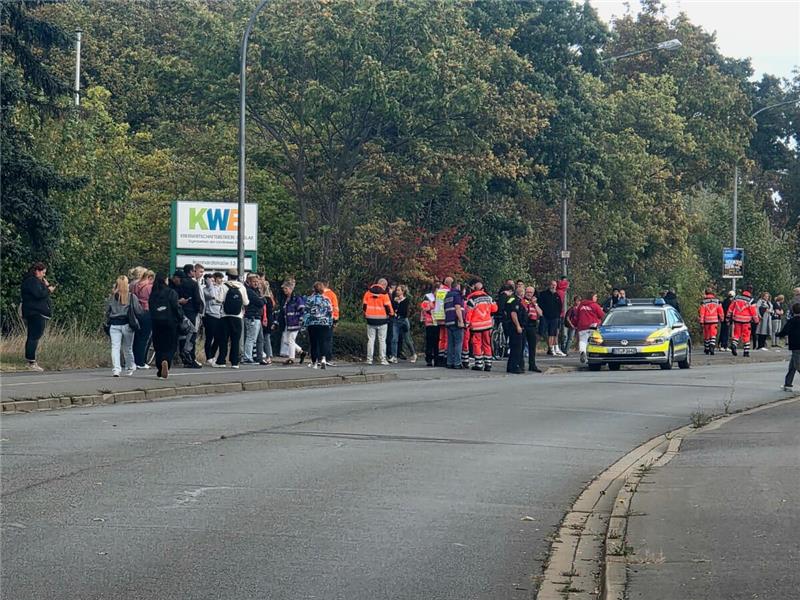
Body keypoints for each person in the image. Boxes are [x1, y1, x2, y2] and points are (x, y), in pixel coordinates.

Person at [105, 275, 143, 377]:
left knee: (115, 348)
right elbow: (138, 311)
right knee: (128, 348)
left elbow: (107, 311)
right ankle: (130, 366)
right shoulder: (131, 297)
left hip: (114, 324)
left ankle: (116, 369)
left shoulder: (112, 297)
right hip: (127, 324)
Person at [20, 262, 55, 371]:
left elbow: (41, 293)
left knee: (32, 336)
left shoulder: (35, 282)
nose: (44, 275)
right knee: (34, 336)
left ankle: (30, 359)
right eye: (43, 272)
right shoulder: (32, 281)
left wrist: (46, 286)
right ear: (37, 271)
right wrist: (48, 290)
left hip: (35, 312)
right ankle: (31, 362)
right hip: (35, 312)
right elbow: (39, 294)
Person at [149, 272, 183, 379]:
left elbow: (150, 307)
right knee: (171, 345)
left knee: (158, 346)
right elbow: (176, 307)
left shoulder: (153, 293)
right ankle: (166, 361)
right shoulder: (171, 292)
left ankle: (160, 367)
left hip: (156, 322)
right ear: (165, 280)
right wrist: (180, 317)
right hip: (170, 322)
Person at [215, 268, 249, 368]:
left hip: (225, 316)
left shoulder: (224, 286)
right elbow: (246, 302)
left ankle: (221, 361)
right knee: (235, 340)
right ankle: (235, 362)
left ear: (228, 276)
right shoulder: (242, 287)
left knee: (223, 339)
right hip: (238, 316)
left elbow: (219, 299)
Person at [465, 281, 497, 371]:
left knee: (477, 344)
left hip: (476, 326)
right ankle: (488, 364)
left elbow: (469, 313)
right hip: (487, 325)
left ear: (473, 289)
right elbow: (495, 309)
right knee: (487, 344)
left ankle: (478, 364)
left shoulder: (471, 299)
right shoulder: (489, 298)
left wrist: (467, 323)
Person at [363, 278, 394, 365]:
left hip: (370, 319)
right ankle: (383, 359)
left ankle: (369, 359)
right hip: (382, 319)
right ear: (383, 285)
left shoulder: (368, 293)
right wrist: (391, 314)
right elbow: (388, 306)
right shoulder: (384, 294)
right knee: (382, 340)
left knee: (371, 339)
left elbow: (364, 306)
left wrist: (366, 314)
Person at [303, 282, 334, 369]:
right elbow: (330, 312)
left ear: (314, 289)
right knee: (323, 341)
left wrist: (304, 325)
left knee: (314, 343)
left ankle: (314, 362)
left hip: (312, 324)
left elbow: (306, 312)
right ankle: (323, 358)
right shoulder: (326, 299)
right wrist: (330, 323)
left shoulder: (310, 299)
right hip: (324, 323)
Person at [130, 269, 154, 369]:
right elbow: (153, 299)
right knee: (144, 338)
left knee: (136, 338)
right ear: (150, 278)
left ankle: (134, 360)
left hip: (136, 312)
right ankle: (140, 361)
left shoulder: (135, 285)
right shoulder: (149, 287)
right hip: (146, 311)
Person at [242, 273, 266, 364]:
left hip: (257, 316)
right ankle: (247, 357)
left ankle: (252, 356)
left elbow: (264, 300)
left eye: (257, 281)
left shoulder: (256, 291)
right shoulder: (249, 291)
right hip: (252, 316)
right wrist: (262, 299)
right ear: (249, 282)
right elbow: (260, 302)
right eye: (254, 282)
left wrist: (262, 299)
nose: (256, 283)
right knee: (251, 338)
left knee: (254, 338)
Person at [575, 292, 606, 364]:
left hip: (582, 326)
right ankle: (594, 356)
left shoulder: (581, 305)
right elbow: (602, 315)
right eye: (595, 296)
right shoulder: (595, 305)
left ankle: (583, 352)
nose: (596, 298)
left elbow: (577, 315)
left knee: (583, 341)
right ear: (591, 297)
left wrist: (577, 324)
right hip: (593, 325)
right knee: (594, 341)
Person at [279, 281, 306, 365]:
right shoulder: (286, 299)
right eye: (284, 289)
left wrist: (301, 320)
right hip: (288, 323)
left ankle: (291, 358)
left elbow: (302, 308)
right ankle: (301, 352)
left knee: (290, 339)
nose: (284, 290)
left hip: (295, 322)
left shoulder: (296, 298)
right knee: (286, 341)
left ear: (291, 289)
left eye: (286, 288)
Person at [727, 288, 759, 357]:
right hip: (746, 321)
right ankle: (746, 352)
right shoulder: (752, 300)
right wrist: (756, 321)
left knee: (736, 334)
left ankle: (734, 345)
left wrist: (728, 317)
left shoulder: (737, 298)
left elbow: (731, 308)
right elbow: (754, 312)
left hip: (737, 319)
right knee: (746, 336)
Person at [776, 303, 800, 392]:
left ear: (793, 311)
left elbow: (785, 331)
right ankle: (788, 384)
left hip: (796, 345)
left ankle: (788, 384)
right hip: (797, 346)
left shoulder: (792, 321)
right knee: (792, 366)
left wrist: (778, 334)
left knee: (797, 365)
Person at [537, 280, 564, 356]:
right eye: (552, 285)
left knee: (552, 333)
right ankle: (532, 348)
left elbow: (560, 306)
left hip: (554, 317)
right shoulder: (543, 294)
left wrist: (557, 315)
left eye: (555, 285)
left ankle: (551, 349)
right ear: (549, 285)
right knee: (540, 332)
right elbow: (540, 304)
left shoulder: (557, 295)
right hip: (545, 316)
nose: (553, 286)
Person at [392, 285, 417, 363]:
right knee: (394, 339)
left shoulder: (406, 300)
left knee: (407, 339)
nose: (397, 292)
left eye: (399, 290)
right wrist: (395, 302)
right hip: (396, 320)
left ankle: (413, 354)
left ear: (403, 291)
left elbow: (404, 311)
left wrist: (399, 304)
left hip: (403, 320)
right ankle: (394, 356)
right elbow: (392, 309)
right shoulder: (394, 300)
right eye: (397, 290)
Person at [443, 279, 466, 369]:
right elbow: (457, 308)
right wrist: (461, 320)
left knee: (450, 343)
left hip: (448, 321)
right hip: (456, 321)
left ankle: (449, 362)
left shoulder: (447, 295)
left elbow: (445, 309)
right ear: (457, 286)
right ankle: (457, 363)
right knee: (458, 343)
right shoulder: (457, 295)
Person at [202, 272, 224, 365]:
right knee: (209, 337)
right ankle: (208, 357)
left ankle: (212, 354)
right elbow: (212, 296)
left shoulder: (219, 288)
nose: (213, 281)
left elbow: (220, 299)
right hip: (209, 315)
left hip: (219, 315)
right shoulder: (205, 290)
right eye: (210, 280)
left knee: (218, 338)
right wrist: (210, 285)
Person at [504, 285, 526, 374]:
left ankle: (510, 366)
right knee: (517, 348)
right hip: (515, 327)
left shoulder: (511, 299)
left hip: (511, 326)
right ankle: (514, 366)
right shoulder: (516, 301)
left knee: (514, 347)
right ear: (521, 293)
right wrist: (518, 326)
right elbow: (513, 313)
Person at [522, 286, 543, 372]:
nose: (529, 294)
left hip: (532, 325)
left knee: (532, 346)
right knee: (522, 346)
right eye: (527, 292)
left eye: (531, 292)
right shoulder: (522, 301)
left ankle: (532, 364)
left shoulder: (535, 303)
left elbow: (540, 313)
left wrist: (535, 304)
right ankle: (521, 364)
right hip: (524, 324)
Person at [698, 288, 725, 355]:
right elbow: (720, 311)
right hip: (714, 321)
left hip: (706, 321)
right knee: (713, 334)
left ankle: (707, 348)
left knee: (706, 335)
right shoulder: (717, 301)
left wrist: (701, 321)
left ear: (706, 293)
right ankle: (712, 347)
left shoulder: (703, 302)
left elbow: (701, 313)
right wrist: (722, 318)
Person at [420, 281, 439, 367]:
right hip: (429, 322)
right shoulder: (428, 297)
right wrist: (432, 307)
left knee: (437, 341)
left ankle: (436, 358)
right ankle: (429, 359)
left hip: (438, 322)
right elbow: (424, 307)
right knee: (430, 341)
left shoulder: (440, 298)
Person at [322, 281, 339, 366]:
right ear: (327, 284)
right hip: (328, 321)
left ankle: (318, 358)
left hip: (317, 321)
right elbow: (335, 308)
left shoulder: (315, 295)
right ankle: (327, 358)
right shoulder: (332, 295)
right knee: (328, 340)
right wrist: (335, 320)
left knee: (318, 339)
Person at [385, 282, 398, 362]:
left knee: (390, 336)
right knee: (388, 336)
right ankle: (388, 354)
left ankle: (390, 353)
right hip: (388, 317)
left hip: (391, 317)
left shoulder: (394, 296)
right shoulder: (387, 295)